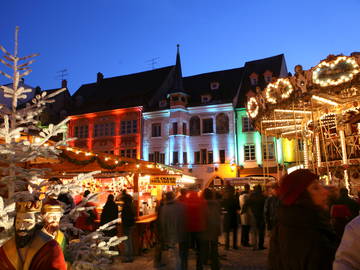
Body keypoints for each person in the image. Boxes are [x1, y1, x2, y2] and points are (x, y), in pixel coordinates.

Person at [269, 169, 338, 270]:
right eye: (315, 188)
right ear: (301, 197)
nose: (325, 191)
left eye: (321, 185)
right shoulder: (312, 236)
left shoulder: (285, 226)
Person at [0, 200, 67, 270]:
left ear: (37, 223)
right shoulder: (6, 248)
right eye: (18, 222)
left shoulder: (50, 248)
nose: (21, 226)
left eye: (27, 222)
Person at [160, 191, 186, 270]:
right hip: (180, 234)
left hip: (170, 235)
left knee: (172, 254)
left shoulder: (164, 208)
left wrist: (163, 236)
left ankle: (175, 267)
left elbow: (163, 224)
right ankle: (181, 267)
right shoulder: (181, 206)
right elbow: (184, 220)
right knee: (180, 254)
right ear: (174, 197)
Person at [41, 198, 70, 263]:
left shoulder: (61, 236)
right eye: (51, 216)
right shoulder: (38, 236)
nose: (55, 219)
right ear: (44, 218)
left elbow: (65, 256)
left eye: (57, 216)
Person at [202, 188, 221, 270]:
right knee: (214, 247)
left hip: (205, 227)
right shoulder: (216, 204)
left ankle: (205, 260)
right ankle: (215, 265)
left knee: (205, 246)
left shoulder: (202, 204)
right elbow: (218, 215)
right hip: (214, 227)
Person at [244, 184, 266, 250]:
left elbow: (246, 204)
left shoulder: (251, 196)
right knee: (261, 232)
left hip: (253, 215)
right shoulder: (263, 197)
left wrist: (243, 211)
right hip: (261, 216)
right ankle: (260, 245)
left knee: (254, 232)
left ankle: (254, 246)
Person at [222, 185, 240, 250]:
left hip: (227, 216)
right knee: (235, 232)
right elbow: (238, 207)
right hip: (234, 216)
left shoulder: (225, 199)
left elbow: (222, 208)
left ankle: (227, 246)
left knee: (227, 232)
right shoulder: (235, 198)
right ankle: (234, 245)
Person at [121, 193, 136, 263]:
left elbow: (124, 216)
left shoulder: (126, 206)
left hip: (126, 225)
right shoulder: (131, 205)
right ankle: (131, 256)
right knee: (129, 241)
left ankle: (127, 257)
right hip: (131, 225)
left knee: (126, 242)